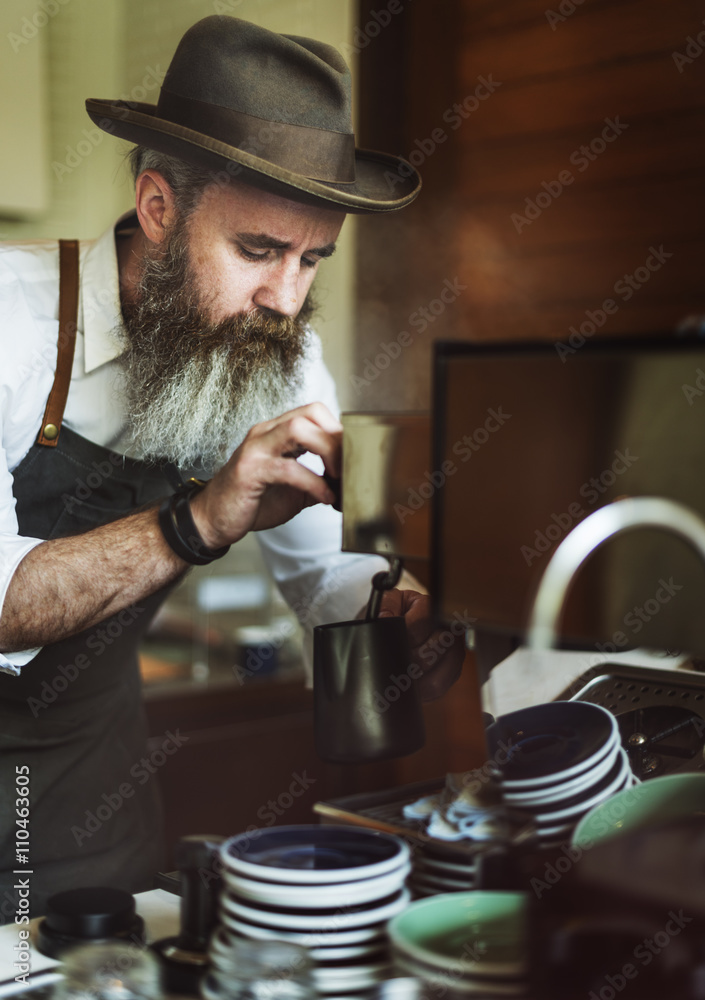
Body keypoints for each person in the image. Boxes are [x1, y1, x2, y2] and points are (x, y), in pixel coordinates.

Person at [0, 15, 463, 919]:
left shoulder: (277, 356)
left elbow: (325, 578)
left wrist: (406, 607)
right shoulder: (10, 323)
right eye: (257, 251)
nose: (283, 300)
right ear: (159, 207)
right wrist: (197, 520)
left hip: (85, 812)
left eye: (311, 260)